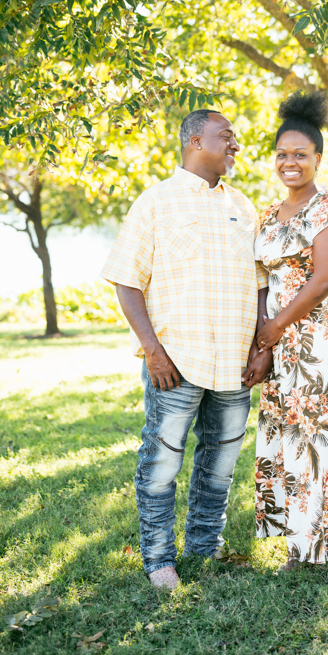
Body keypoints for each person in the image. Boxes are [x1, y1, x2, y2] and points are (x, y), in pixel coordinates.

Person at [101, 109, 271, 590]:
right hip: (177, 362)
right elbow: (127, 281)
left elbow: (260, 285)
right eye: (226, 135)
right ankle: (159, 561)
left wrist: (262, 346)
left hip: (236, 364)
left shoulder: (243, 205)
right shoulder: (155, 202)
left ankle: (205, 548)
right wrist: (152, 351)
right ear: (196, 140)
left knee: (219, 467)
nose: (235, 144)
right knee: (161, 465)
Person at [243, 91, 328, 569]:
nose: (289, 162)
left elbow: (323, 281)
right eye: (282, 155)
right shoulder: (268, 215)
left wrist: (275, 327)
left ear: (318, 158)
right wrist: (263, 339)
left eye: (300, 154)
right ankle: (304, 540)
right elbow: (262, 281)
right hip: (279, 341)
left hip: (321, 340)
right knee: (291, 435)